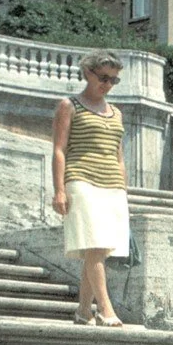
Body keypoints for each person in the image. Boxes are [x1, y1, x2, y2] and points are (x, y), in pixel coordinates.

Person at [52, 49, 130, 328]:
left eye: (114, 80)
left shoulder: (117, 113)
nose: (108, 84)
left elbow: (119, 155)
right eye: (103, 77)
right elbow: (59, 150)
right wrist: (59, 190)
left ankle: (84, 311)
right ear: (88, 73)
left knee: (97, 250)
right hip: (81, 180)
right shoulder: (69, 105)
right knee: (95, 246)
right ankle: (106, 309)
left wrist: (123, 189)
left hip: (112, 186)